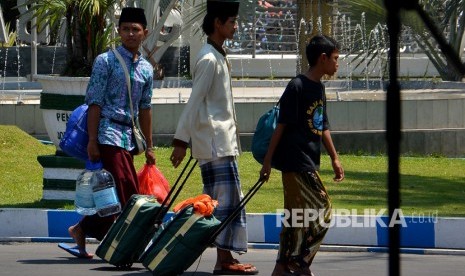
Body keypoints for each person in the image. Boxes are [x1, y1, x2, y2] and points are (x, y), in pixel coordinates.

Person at [169, 0, 258, 274]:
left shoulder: (218, 55)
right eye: (232, 21)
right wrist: (181, 142)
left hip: (219, 142)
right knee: (226, 201)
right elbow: (194, 102)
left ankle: (225, 257)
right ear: (218, 23)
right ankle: (223, 260)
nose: (236, 26)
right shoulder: (209, 58)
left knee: (222, 201)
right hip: (215, 143)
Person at [61, 7, 155, 259]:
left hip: (130, 138)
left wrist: (150, 146)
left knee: (112, 193)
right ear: (119, 31)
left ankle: (82, 229)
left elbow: (146, 109)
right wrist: (92, 140)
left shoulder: (147, 69)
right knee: (126, 188)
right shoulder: (106, 61)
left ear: (145, 33)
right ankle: (131, 243)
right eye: (125, 29)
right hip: (108, 133)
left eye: (136, 29)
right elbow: (94, 103)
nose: (130, 34)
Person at [260, 35, 345, 276]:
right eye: (335, 59)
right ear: (323, 58)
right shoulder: (296, 86)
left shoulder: (319, 87)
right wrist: (267, 162)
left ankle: (281, 268)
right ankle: (300, 262)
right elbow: (281, 126)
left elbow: (323, 124)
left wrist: (334, 157)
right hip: (296, 162)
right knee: (324, 210)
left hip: (309, 160)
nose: (338, 64)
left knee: (295, 219)